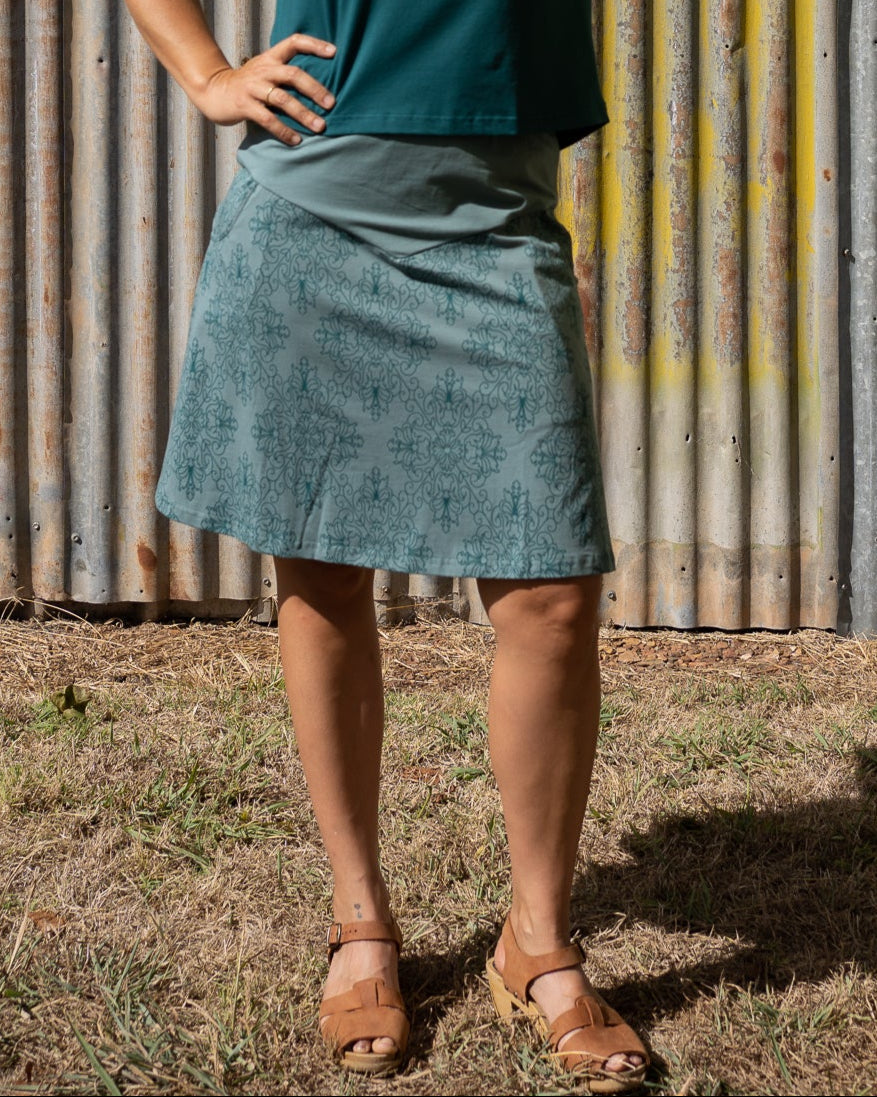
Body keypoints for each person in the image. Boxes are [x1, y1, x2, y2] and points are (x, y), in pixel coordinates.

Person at [125, 0, 650, 1087]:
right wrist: (208, 74)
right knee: (322, 573)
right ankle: (360, 917)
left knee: (552, 596)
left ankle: (536, 939)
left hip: (498, 217)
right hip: (310, 217)